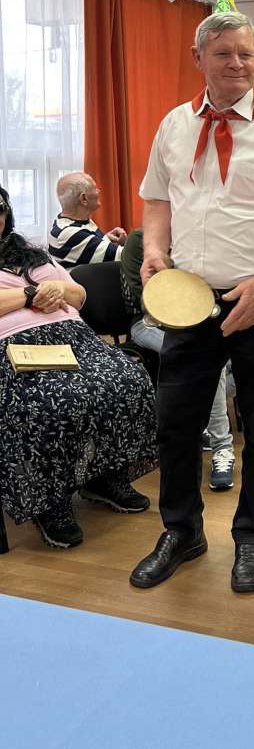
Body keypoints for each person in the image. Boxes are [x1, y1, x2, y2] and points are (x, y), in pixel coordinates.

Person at [129, 11, 254, 594]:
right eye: (223, 53)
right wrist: (154, 250)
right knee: (176, 425)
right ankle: (181, 532)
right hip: (190, 301)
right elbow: (157, 199)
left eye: (246, 54)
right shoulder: (174, 125)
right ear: (198, 58)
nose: (236, 64)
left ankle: (252, 535)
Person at [0, 186, 156, 549]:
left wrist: (58, 291)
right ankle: (50, 501)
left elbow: (79, 295)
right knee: (52, 402)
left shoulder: (30, 251)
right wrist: (32, 294)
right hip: (15, 346)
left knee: (128, 381)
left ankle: (104, 476)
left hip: (73, 336)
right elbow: (32, 294)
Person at [120, 229, 236, 491]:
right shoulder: (140, 241)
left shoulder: (198, 235)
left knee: (239, 358)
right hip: (149, 324)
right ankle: (222, 448)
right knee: (211, 363)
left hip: (196, 321)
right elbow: (144, 298)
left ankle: (202, 422)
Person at [49, 172, 127, 268]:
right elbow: (128, 257)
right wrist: (129, 241)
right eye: (95, 188)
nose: (98, 191)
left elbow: (87, 248)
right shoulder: (71, 234)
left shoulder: (69, 222)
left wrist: (106, 240)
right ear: (84, 198)